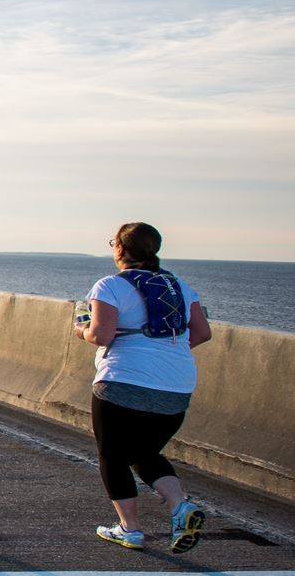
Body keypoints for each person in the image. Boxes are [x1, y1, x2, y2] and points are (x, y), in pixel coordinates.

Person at [75, 222, 212, 554]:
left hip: (122, 382)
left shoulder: (109, 286)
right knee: (142, 453)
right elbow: (203, 332)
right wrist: (164, 354)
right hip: (176, 386)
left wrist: (80, 328)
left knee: (112, 454)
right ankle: (180, 506)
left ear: (120, 249)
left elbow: (101, 336)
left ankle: (130, 530)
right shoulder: (178, 286)